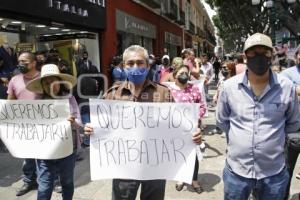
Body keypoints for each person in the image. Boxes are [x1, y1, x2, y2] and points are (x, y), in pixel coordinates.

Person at [84, 45, 202, 200]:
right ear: (124, 66)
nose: (135, 67)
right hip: (123, 169)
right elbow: (103, 127)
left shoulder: (163, 93)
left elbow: (178, 126)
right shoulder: (112, 95)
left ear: (148, 65)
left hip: (156, 168)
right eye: (130, 63)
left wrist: (193, 135)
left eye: (140, 63)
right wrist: (92, 129)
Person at [216, 33, 300, 200]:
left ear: (272, 55)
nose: (260, 57)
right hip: (237, 172)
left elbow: (293, 123)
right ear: (245, 56)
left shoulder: (287, 87)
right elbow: (222, 121)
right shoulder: (229, 87)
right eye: (254, 52)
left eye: (265, 52)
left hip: (274, 174)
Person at [26, 63, 81, 200]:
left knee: (67, 182)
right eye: (46, 82)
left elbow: (79, 123)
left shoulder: (70, 99)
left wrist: (73, 122)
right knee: (44, 185)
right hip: (45, 152)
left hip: (68, 150)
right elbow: (31, 125)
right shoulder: (37, 102)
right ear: (42, 85)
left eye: (53, 81)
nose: (50, 85)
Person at [7, 52, 41, 196]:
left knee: (46, 155)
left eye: (25, 62)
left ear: (33, 63)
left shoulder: (44, 78)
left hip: (43, 125)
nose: (21, 64)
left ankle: (50, 180)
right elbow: (10, 101)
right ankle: (29, 180)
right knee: (28, 156)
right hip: (24, 126)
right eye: (19, 61)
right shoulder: (14, 80)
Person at [170, 65, 206, 194]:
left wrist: (196, 118)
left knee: (193, 154)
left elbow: (202, 106)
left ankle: (194, 179)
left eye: (186, 73)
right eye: (181, 73)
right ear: (175, 75)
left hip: (192, 128)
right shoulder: (169, 90)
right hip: (175, 128)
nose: (184, 75)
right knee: (178, 153)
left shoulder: (194, 89)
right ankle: (180, 178)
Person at [280, 46, 300, 200]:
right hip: (293, 131)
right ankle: (283, 196)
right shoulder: (286, 74)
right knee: (287, 168)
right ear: (296, 56)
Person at [210, 61, 236, 135]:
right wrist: (215, 96)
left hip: (229, 101)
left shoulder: (234, 80)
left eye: (225, 68)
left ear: (231, 69)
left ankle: (226, 130)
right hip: (219, 100)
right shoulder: (221, 79)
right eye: (222, 68)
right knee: (218, 114)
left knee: (227, 115)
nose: (222, 69)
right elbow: (218, 89)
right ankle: (218, 128)